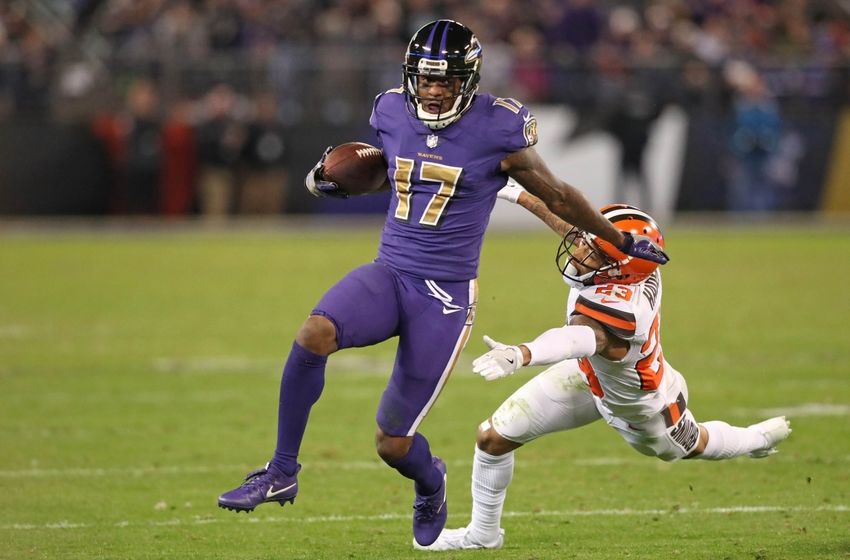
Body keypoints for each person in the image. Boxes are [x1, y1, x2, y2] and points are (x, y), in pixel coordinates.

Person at [216, 20, 668, 547]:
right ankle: (280, 470)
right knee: (314, 333)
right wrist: (338, 177)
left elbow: (556, 193)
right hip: (389, 272)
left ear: (468, 78)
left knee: (392, 443)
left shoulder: (498, 127)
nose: (433, 90)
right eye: (425, 79)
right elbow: (400, 172)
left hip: (444, 297)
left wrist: (613, 237)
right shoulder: (389, 110)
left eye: (446, 80)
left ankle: (431, 483)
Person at [416, 191, 792, 551]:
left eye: (592, 251)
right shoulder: (626, 265)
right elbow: (573, 228)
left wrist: (522, 354)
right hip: (588, 377)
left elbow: (576, 339)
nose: (579, 249)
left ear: (618, 269)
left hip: (641, 406)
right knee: (493, 438)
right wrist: (517, 193)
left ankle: (756, 440)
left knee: (692, 445)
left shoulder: (622, 311)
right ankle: (483, 535)